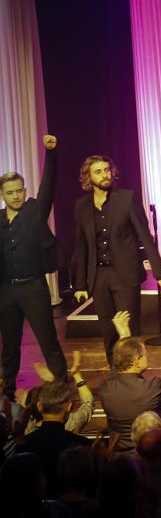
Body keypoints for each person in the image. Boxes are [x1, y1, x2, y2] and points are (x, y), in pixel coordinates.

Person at [73, 155, 161, 367]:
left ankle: (134, 375)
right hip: (99, 277)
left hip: (125, 275)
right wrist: (80, 284)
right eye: (98, 172)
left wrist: (160, 273)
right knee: (108, 332)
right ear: (88, 177)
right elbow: (81, 247)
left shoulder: (126, 198)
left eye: (107, 170)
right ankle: (116, 375)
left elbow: (145, 236)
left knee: (129, 330)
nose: (105, 175)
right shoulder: (81, 206)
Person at [1, 133, 67, 398]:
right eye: (10, 192)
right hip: (6, 291)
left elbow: (48, 185)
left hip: (34, 288)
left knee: (48, 341)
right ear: (2, 194)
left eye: (19, 190)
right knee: (9, 346)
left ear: (25, 191)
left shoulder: (34, 211)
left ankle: (61, 388)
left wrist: (51, 153)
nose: (16, 196)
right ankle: (7, 393)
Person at [96, 310, 161, 451]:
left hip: (120, 457)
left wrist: (125, 336)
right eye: (145, 355)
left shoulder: (106, 390)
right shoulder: (154, 388)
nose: (148, 357)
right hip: (153, 453)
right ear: (137, 361)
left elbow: (120, 368)